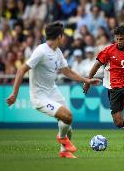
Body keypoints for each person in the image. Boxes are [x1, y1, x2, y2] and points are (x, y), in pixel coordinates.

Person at [6, 22, 101, 158]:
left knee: (69, 124)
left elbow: (67, 72)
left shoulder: (57, 52)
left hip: (53, 91)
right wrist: (14, 94)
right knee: (67, 116)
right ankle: (61, 138)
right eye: (64, 36)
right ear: (60, 37)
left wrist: (86, 80)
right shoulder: (41, 51)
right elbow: (21, 70)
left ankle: (64, 151)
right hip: (40, 97)